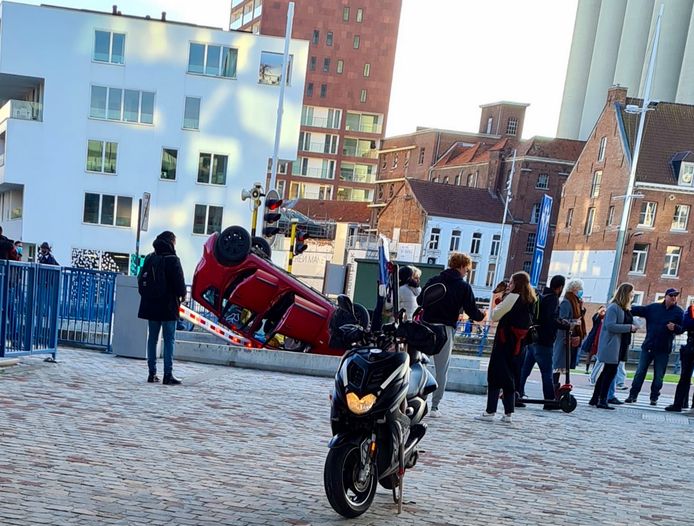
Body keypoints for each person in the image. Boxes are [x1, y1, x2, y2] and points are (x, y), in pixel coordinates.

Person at [419, 252, 486, 418]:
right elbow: (472, 311)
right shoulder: (463, 286)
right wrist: (482, 315)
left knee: (421, 366)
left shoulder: (434, 280)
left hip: (425, 328)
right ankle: (434, 407)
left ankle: (418, 399)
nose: (466, 273)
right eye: (467, 270)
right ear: (462, 266)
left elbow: (421, 300)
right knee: (442, 369)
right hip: (445, 330)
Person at [476, 271, 536, 424]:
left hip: (504, 340)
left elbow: (495, 316)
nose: (509, 284)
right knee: (510, 376)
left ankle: (490, 411)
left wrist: (500, 299)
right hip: (519, 343)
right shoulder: (530, 299)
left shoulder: (512, 297)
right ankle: (508, 412)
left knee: (495, 375)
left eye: (511, 282)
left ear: (516, 283)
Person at [137, 231, 187, 385]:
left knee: (152, 339)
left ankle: (151, 374)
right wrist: (183, 294)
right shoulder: (173, 259)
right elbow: (179, 284)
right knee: (169, 340)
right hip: (168, 306)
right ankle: (168, 375)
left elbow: (140, 278)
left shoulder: (150, 257)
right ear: (171, 242)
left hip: (152, 304)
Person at [625, 288, 684, 406]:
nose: (674, 298)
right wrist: (624, 306)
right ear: (666, 296)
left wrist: (676, 328)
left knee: (659, 375)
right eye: (671, 295)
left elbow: (682, 328)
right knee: (640, 372)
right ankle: (633, 395)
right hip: (648, 346)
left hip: (663, 349)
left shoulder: (678, 312)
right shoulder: (653, 308)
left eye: (676, 296)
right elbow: (636, 310)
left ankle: (654, 397)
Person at [518, 274, 566, 409]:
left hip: (533, 339)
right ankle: (549, 400)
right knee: (546, 372)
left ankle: (517, 394)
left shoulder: (541, 296)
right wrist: (565, 324)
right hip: (544, 340)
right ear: (560, 287)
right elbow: (551, 319)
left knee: (525, 370)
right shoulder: (553, 299)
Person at [589, 283, 639, 410]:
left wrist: (633, 325)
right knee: (609, 372)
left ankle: (596, 398)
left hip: (620, 344)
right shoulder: (614, 308)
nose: (632, 295)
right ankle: (602, 399)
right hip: (612, 344)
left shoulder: (624, 308)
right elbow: (610, 326)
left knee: (608, 371)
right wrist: (629, 328)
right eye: (631, 292)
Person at [552, 278, 586, 392]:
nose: (581, 291)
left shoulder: (576, 302)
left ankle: (556, 386)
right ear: (574, 289)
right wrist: (574, 322)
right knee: (558, 364)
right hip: (564, 337)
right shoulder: (567, 302)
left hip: (571, 337)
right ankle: (554, 386)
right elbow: (562, 319)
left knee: (564, 364)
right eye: (579, 289)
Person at [665, 303, 694, 412]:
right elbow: (686, 323)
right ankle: (680, 403)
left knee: (685, 377)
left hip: (690, 345)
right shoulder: (692, 308)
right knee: (684, 377)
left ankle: (680, 403)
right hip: (690, 345)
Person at [578, 306, 605, 373]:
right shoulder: (597, 317)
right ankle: (587, 369)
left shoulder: (605, 318)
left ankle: (594, 370)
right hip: (593, 337)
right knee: (590, 354)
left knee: (597, 356)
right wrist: (599, 312)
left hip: (600, 338)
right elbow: (594, 319)